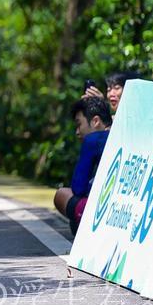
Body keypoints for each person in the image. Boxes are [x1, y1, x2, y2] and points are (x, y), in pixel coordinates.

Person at [53, 96, 112, 235]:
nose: (77, 131)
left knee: (61, 194)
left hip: (107, 210)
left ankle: (85, 225)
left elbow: (78, 188)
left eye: (79, 124)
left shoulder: (93, 140)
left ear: (96, 121)